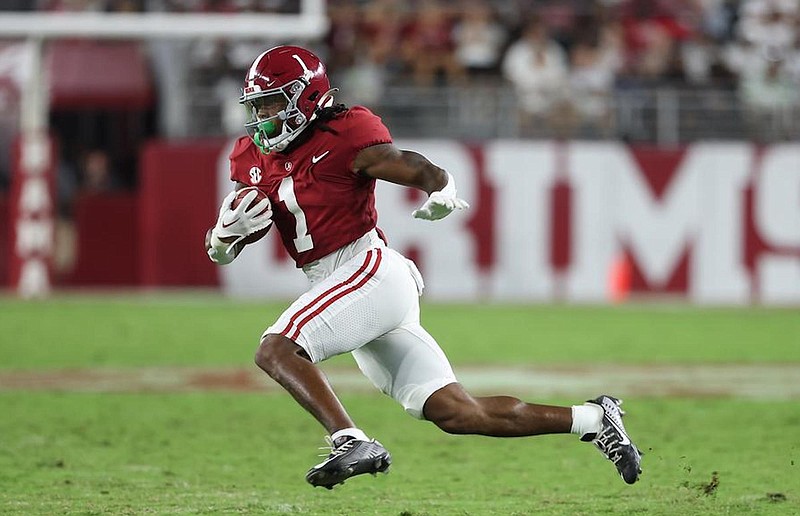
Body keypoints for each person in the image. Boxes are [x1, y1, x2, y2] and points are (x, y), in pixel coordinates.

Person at [204, 45, 642, 490]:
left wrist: (442, 187)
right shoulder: (249, 155)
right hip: (340, 283)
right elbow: (225, 245)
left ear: (307, 97)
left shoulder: (344, 132)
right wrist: (222, 238)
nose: (263, 116)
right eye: (258, 105)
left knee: (276, 350)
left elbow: (411, 165)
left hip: (367, 269)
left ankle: (350, 439)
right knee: (457, 411)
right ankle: (593, 419)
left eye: (273, 102)